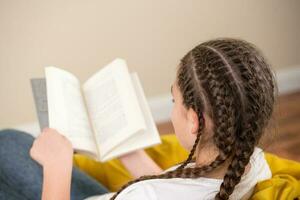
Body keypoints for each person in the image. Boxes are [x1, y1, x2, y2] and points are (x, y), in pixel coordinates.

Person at [0, 38, 277, 200]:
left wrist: (57, 167)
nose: (171, 108)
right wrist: (132, 155)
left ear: (194, 120)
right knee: (9, 144)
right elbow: (175, 190)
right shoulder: (253, 162)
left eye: (173, 100)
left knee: (6, 144)